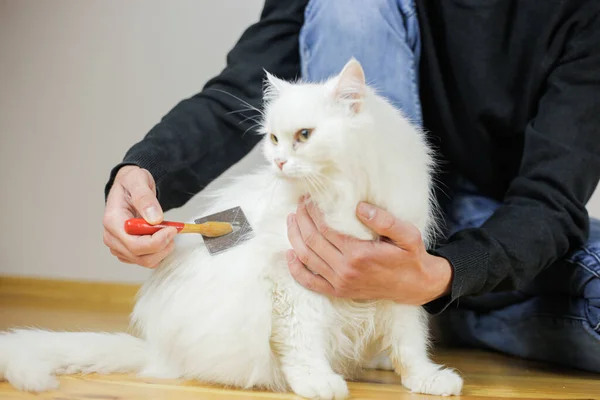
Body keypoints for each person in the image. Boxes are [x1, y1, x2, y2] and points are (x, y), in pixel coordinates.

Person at [103, 0, 600, 372]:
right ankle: (402, 304)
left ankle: (437, 310)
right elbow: (242, 91)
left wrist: (443, 275)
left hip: (494, 225)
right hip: (346, 209)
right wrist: (146, 170)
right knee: (350, 6)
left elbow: (549, 199)